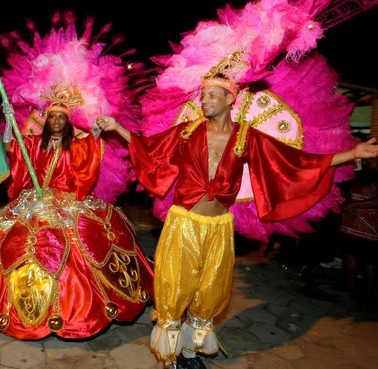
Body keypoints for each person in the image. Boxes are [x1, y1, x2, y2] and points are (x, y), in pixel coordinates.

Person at [96, 75, 378, 368]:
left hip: (219, 227)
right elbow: (150, 148)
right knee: (176, 287)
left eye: (212, 95)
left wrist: (353, 153)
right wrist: (117, 128)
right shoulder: (187, 131)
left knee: (210, 290)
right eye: (202, 95)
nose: (204, 101)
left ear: (230, 99)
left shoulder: (247, 137)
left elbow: (295, 162)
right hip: (184, 223)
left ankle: (191, 353)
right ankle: (170, 356)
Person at [0, 100, 154, 340]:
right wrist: (10, 123)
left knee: (78, 239)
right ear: (46, 121)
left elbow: (89, 152)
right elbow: (11, 148)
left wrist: (95, 131)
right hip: (33, 199)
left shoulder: (74, 145)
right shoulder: (34, 144)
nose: (56, 121)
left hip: (68, 200)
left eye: (61, 117)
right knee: (0, 234)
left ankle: (77, 305)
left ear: (67, 122)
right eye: (52, 117)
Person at [338, 137, 378, 305]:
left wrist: (354, 204)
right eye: (368, 158)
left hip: (371, 225)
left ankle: (369, 291)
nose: (369, 161)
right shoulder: (361, 173)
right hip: (351, 221)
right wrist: (347, 205)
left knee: (369, 258)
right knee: (350, 253)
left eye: (373, 158)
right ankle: (351, 284)